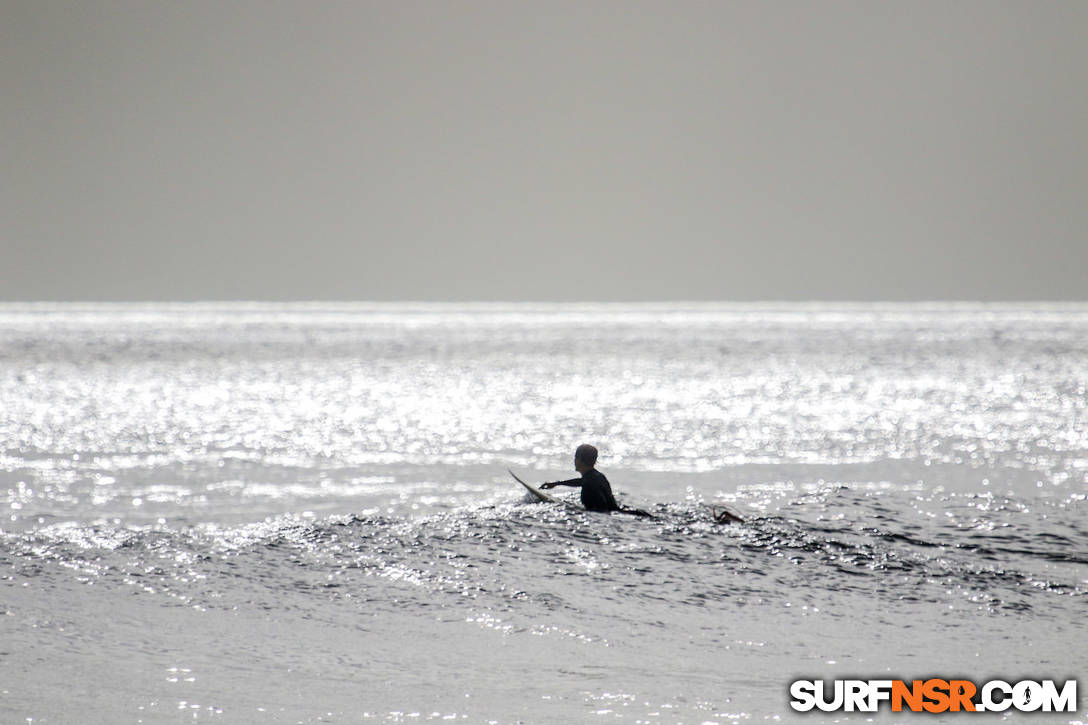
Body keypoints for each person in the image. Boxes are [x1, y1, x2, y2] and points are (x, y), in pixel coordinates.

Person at [540, 444, 626, 514]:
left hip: (603, 515)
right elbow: (580, 482)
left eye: (576, 458)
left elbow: (582, 482)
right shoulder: (599, 476)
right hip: (617, 512)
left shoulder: (589, 481)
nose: (574, 461)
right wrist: (556, 484)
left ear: (580, 460)